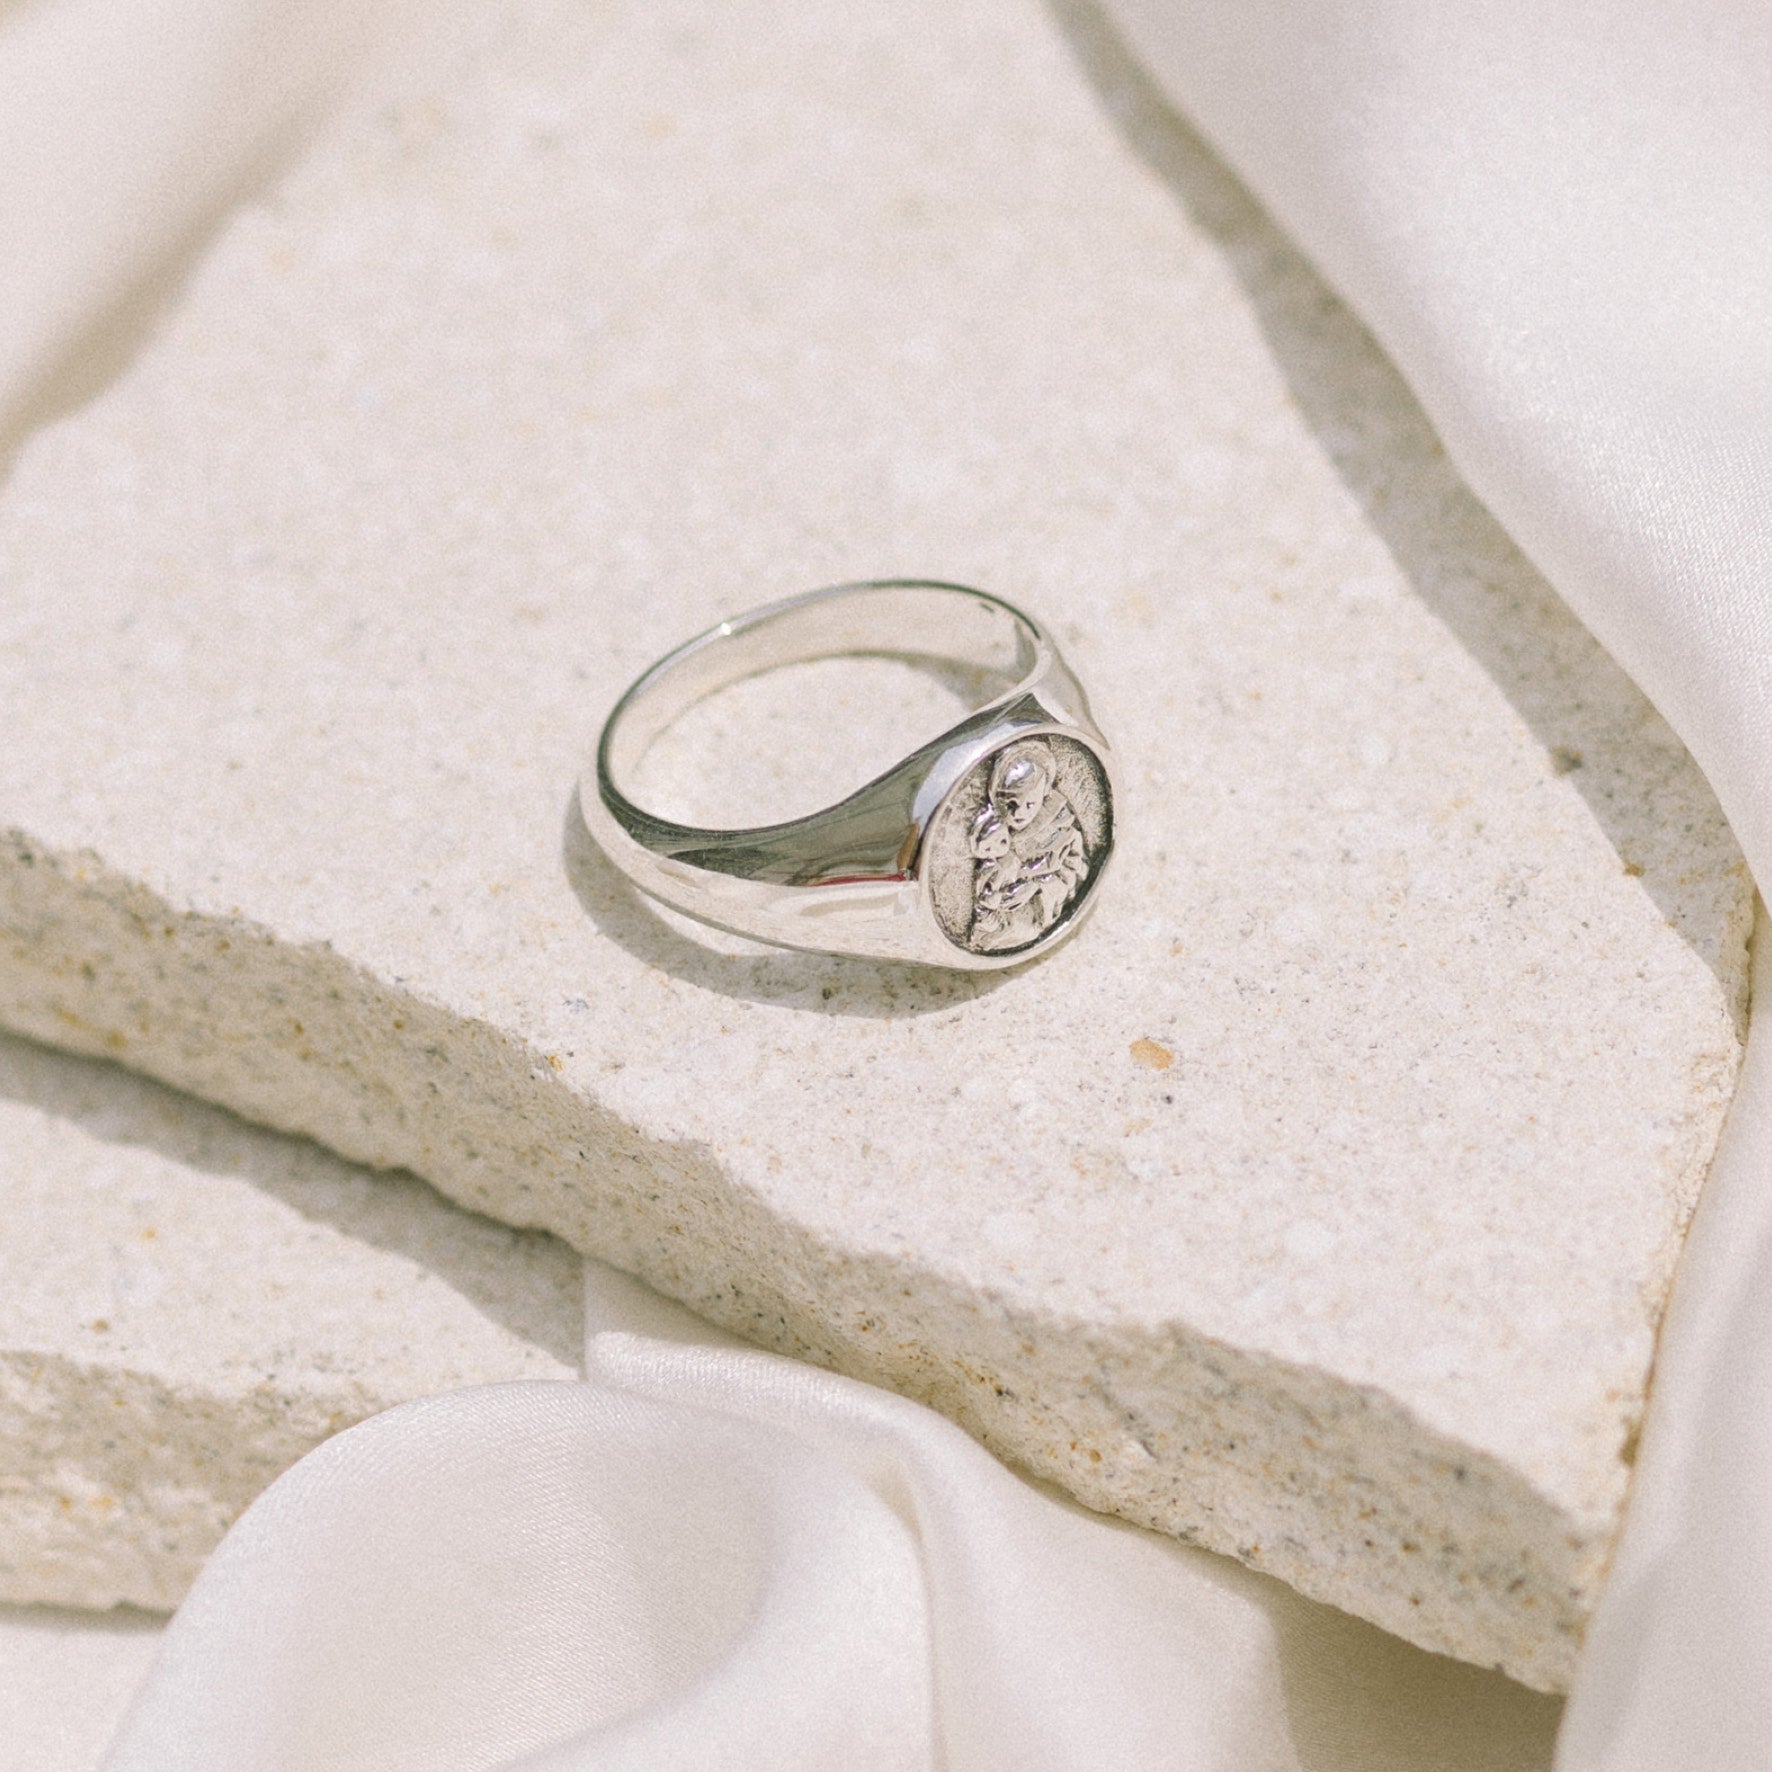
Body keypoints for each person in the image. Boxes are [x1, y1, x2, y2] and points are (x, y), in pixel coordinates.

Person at [966, 738, 1088, 952]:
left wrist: (1036, 888)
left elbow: (1076, 871)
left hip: (1038, 914)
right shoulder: (990, 834)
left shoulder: (1062, 827)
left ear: (1046, 793)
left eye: (1030, 804)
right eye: (1011, 804)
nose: (1019, 813)